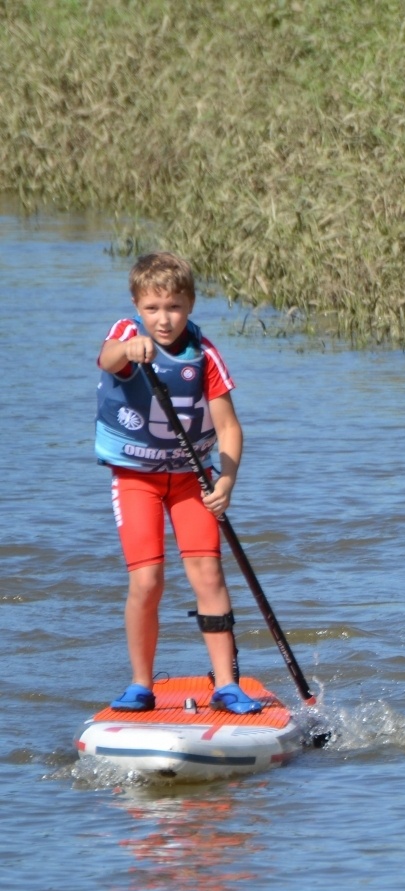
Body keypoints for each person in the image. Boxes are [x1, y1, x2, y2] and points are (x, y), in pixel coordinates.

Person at [96, 252, 261, 713]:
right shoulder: (127, 337)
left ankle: (227, 685)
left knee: (208, 574)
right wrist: (128, 351)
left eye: (173, 307)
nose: (163, 320)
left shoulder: (205, 355)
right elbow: (107, 359)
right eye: (152, 308)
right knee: (147, 581)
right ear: (136, 305)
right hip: (137, 479)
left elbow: (228, 427)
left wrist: (227, 479)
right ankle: (140, 685)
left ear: (189, 305)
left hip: (192, 479)